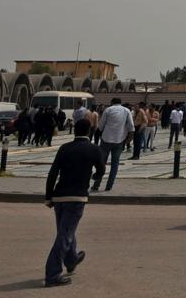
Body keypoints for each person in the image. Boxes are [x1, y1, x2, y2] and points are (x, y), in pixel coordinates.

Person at [43, 119, 104, 287]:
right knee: (65, 235)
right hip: (77, 198)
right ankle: (52, 274)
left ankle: (72, 260)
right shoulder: (94, 149)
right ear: (89, 130)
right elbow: (101, 169)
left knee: (65, 230)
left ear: (74, 130)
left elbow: (53, 172)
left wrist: (48, 196)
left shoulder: (65, 148)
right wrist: (94, 177)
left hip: (60, 196)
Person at [94, 97, 134, 192]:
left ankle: (96, 185)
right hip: (119, 141)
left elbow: (100, 125)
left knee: (101, 163)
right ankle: (109, 186)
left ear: (112, 102)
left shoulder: (108, 110)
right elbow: (131, 127)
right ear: (121, 103)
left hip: (106, 140)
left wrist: (97, 136)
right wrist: (128, 140)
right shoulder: (126, 110)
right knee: (115, 164)